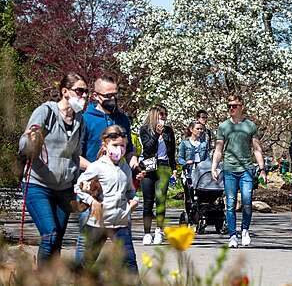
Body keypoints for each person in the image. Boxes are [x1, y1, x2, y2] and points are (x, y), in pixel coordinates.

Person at [19, 72, 87, 265]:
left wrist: (76, 181)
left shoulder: (79, 120)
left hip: (64, 190)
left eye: (86, 92)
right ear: (65, 92)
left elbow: (75, 154)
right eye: (80, 91)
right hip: (37, 185)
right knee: (50, 235)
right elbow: (24, 143)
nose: (84, 96)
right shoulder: (46, 111)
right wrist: (30, 141)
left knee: (56, 242)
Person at [77, 75, 141, 263]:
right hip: (93, 190)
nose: (112, 99)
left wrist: (134, 162)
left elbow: (128, 150)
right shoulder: (84, 119)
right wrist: (100, 170)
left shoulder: (122, 119)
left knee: (125, 250)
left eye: (115, 94)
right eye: (107, 95)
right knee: (88, 247)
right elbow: (75, 156)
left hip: (119, 193)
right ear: (96, 96)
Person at [75, 125, 139, 273]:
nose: (119, 149)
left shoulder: (125, 169)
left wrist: (134, 200)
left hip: (120, 222)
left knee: (129, 261)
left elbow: (130, 191)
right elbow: (78, 187)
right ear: (105, 146)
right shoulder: (96, 167)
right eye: (115, 145)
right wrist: (93, 202)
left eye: (122, 146)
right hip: (98, 223)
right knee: (88, 261)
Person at [211, 95, 267, 248]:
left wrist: (262, 169)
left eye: (234, 105)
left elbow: (256, 149)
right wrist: (214, 167)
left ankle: (245, 230)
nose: (231, 108)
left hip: (246, 169)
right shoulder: (223, 127)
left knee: (247, 201)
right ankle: (232, 236)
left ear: (242, 107)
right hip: (229, 169)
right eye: (229, 105)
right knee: (230, 203)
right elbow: (218, 149)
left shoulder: (250, 126)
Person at [139, 105, 176, 245]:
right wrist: (156, 134)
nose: (164, 117)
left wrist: (173, 169)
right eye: (161, 114)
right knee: (148, 202)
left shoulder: (168, 131)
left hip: (163, 166)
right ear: (154, 115)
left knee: (160, 200)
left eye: (166, 114)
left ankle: (158, 230)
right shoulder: (145, 129)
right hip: (148, 167)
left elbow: (171, 151)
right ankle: (147, 233)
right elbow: (148, 148)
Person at [178, 120, 212, 211]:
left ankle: (199, 214)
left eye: (201, 129)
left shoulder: (204, 143)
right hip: (189, 173)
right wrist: (186, 162)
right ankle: (188, 214)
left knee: (200, 196)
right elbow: (180, 158)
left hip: (200, 174)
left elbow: (207, 157)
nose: (200, 131)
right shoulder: (185, 143)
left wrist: (206, 164)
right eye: (198, 129)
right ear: (191, 130)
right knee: (189, 197)